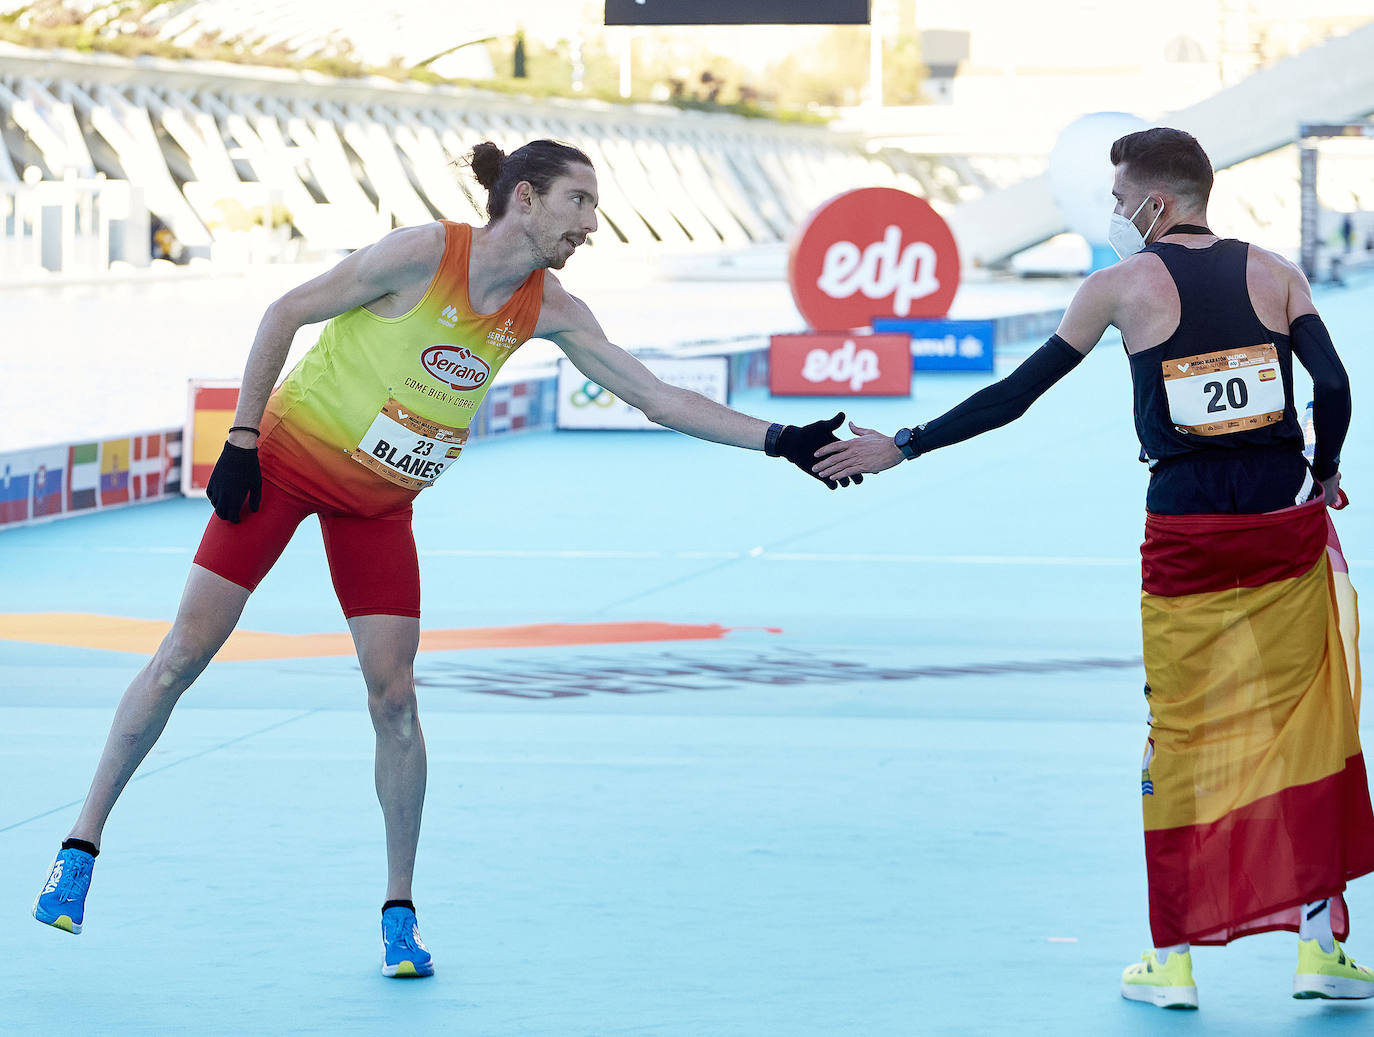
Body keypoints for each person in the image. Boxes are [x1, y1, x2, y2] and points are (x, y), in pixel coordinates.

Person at [32, 138, 855, 977]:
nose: (593, 225)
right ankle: (80, 845)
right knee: (181, 656)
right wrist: (241, 437)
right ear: (525, 199)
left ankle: (398, 912)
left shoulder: (549, 307)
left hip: (380, 506)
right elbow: (283, 311)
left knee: (395, 700)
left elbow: (655, 396)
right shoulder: (423, 254)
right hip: (279, 466)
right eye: (580, 203)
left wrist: (780, 439)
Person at [813, 127, 1374, 1009]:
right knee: (1298, 722)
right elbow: (1334, 388)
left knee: (1182, 733)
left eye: (1119, 201)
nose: (1114, 216)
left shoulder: (1117, 286)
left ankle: (1176, 959)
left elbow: (1016, 395)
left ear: (1157, 201)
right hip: (1280, 526)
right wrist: (1328, 468)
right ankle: (1318, 949)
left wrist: (907, 443)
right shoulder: (1276, 272)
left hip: (1186, 534)